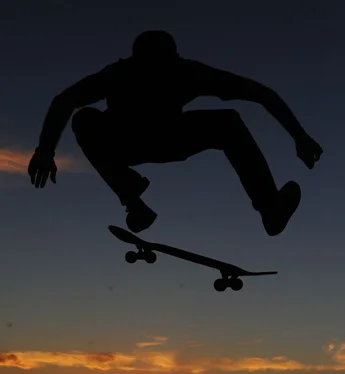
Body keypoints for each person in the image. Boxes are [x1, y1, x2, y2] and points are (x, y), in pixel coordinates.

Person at [28, 30, 323, 235]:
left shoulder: (126, 72)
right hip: (161, 140)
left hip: (135, 142)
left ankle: (135, 203)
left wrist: (45, 149)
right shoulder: (178, 71)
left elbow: (64, 100)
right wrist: (299, 136)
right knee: (85, 118)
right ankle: (136, 204)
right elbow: (262, 94)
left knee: (85, 119)